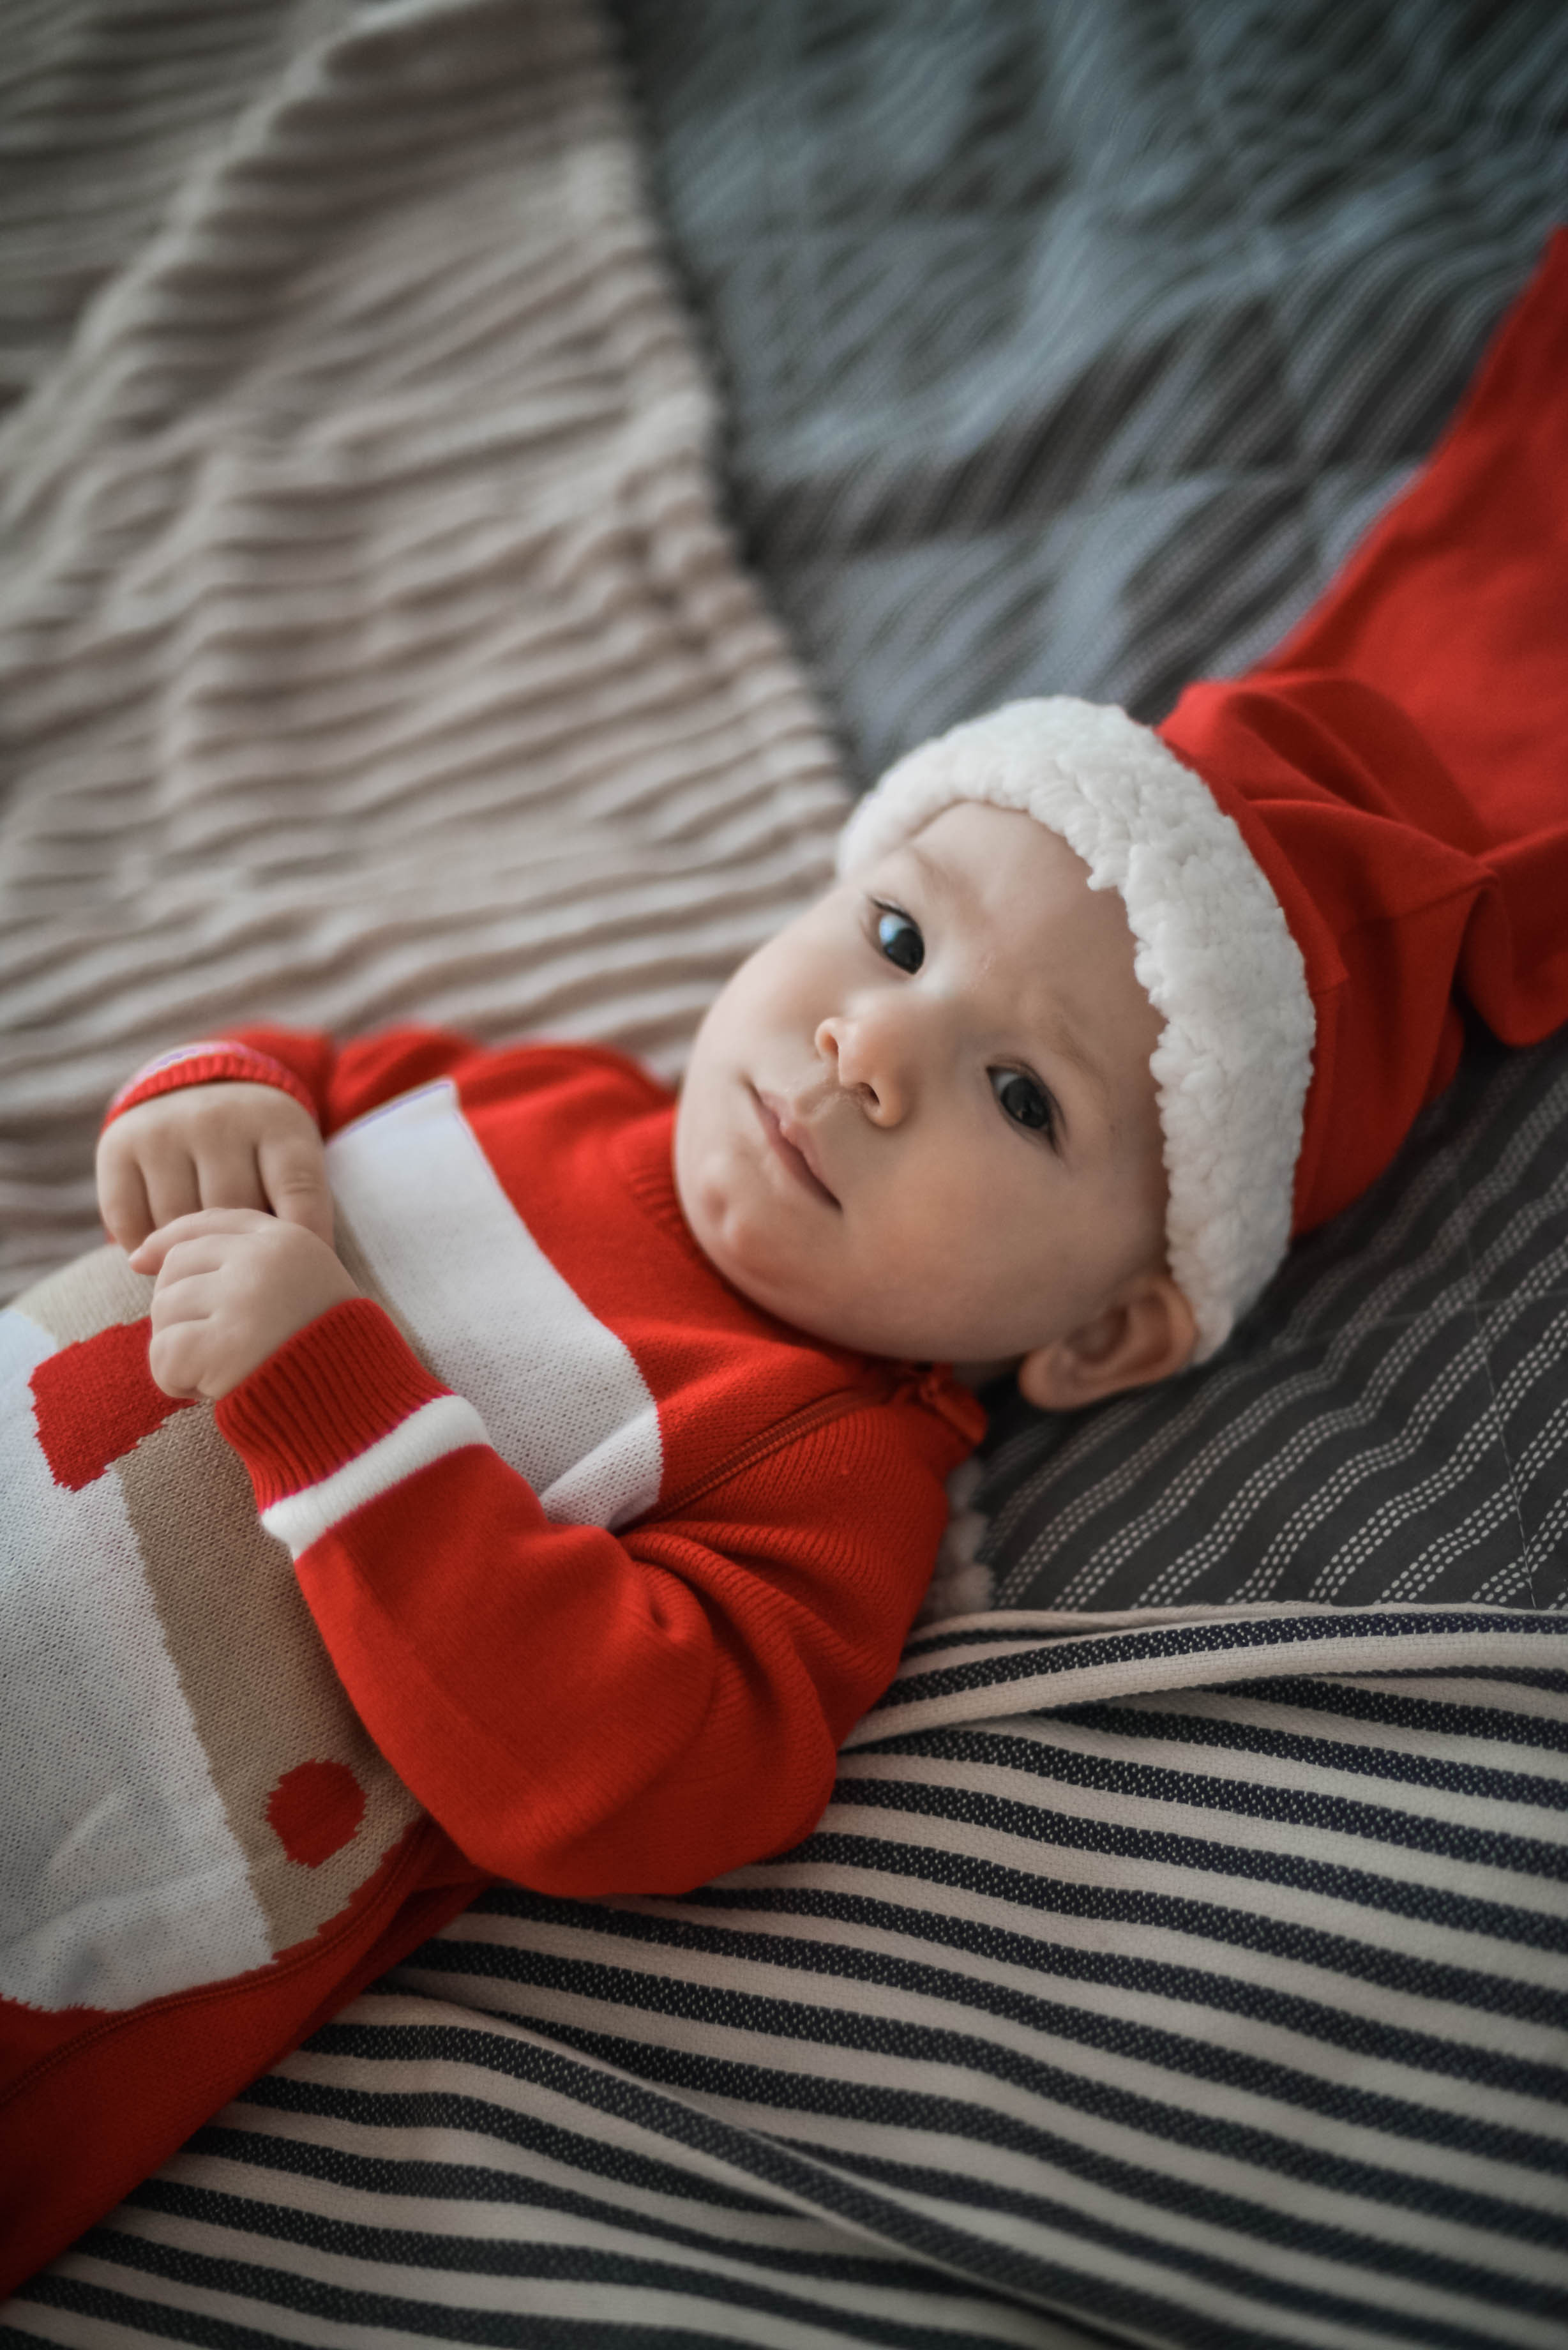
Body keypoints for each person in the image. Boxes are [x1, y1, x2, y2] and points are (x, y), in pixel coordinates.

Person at [4, 228, 1567, 2293]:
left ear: (1112, 1332)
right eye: (898, 938)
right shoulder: (551, 1092)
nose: (873, 1050)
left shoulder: (827, 1459)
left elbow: (633, 1782)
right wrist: (203, 1091)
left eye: (1024, 1096)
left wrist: (337, 1409)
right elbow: (305, 1088)